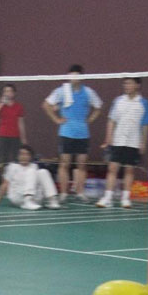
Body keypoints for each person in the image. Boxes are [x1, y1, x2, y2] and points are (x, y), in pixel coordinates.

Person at [42, 65, 102, 202]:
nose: (74, 78)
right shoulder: (61, 91)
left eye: (76, 75)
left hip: (83, 134)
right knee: (64, 164)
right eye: (71, 75)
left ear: (81, 76)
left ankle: (80, 192)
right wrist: (56, 119)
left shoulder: (89, 92)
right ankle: (64, 193)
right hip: (66, 133)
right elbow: (46, 105)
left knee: (82, 164)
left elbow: (99, 107)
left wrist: (90, 119)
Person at [97, 77, 148, 209]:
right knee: (112, 168)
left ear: (137, 85)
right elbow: (111, 120)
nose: (126, 86)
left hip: (134, 141)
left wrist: (143, 142)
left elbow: (146, 125)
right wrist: (108, 137)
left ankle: (125, 198)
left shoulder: (143, 103)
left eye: (129, 83)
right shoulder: (118, 101)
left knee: (129, 170)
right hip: (118, 139)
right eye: (125, 83)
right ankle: (107, 197)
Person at [0, 145, 61, 210]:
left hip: (36, 198)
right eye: (22, 154)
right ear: (18, 156)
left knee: (43, 171)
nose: (24, 157)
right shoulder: (12, 167)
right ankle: (27, 201)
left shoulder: (34, 166)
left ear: (30, 157)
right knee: (31, 171)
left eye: (27, 154)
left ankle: (52, 200)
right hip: (18, 197)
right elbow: (5, 184)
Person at [0, 83, 27, 168]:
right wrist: (1, 103)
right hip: (2, 135)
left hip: (15, 136)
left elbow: (21, 123)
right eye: (5, 91)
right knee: (2, 159)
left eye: (10, 91)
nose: (7, 93)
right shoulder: (1, 105)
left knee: (15, 159)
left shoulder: (18, 106)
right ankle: (2, 175)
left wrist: (24, 139)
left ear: (14, 93)